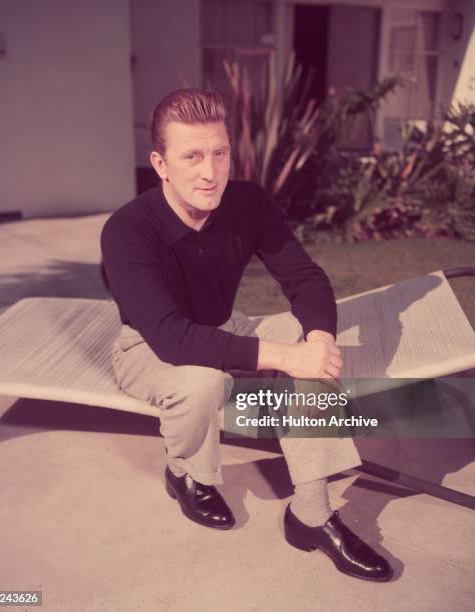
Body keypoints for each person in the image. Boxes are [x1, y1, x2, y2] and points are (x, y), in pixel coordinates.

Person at [101, 88, 393, 582]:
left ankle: (311, 515)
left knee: (312, 345)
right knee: (202, 383)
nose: (210, 172)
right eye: (191, 156)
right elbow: (171, 338)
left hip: (222, 327)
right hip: (148, 346)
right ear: (161, 163)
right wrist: (284, 356)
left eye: (219, 153)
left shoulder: (248, 202)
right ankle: (186, 474)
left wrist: (317, 340)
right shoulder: (127, 230)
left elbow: (306, 279)